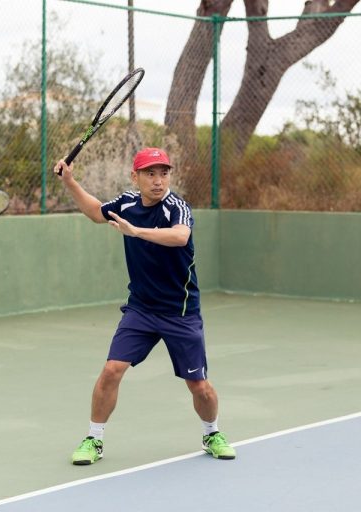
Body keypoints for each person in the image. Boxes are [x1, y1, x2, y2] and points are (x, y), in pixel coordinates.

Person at [56, 147, 236, 465]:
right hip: (141, 309)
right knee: (112, 370)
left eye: (163, 173)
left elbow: (180, 236)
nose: (158, 180)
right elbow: (97, 212)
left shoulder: (175, 207)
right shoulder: (126, 202)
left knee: (200, 386)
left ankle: (212, 432)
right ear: (135, 176)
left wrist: (136, 231)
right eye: (150, 173)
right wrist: (70, 181)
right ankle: (93, 439)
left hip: (180, 312)